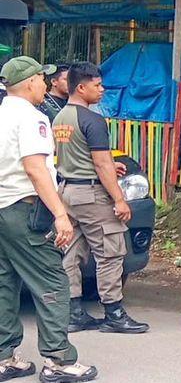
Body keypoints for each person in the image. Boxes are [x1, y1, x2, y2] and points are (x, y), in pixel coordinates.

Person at [0, 56, 95, 383]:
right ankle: (58, 360)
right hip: (24, 208)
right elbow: (36, 169)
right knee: (53, 280)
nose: (46, 84)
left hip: (1, 210)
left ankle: (4, 357)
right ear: (28, 83)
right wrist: (60, 215)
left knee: (5, 281)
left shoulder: (1, 115)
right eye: (42, 78)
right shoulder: (32, 118)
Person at [52, 62, 146, 334]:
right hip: (91, 195)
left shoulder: (60, 119)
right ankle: (114, 312)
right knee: (110, 251)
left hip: (67, 192)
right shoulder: (92, 119)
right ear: (81, 87)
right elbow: (103, 164)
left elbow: (75, 155)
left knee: (71, 252)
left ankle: (73, 311)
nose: (102, 90)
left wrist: (101, 166)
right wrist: (119, 199)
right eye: (97, 85)